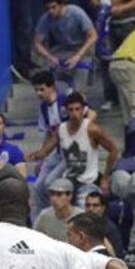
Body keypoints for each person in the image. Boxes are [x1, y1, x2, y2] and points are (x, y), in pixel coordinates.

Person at [27, 70, 96, 218]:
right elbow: (49, 133)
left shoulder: (65, 101)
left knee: (50, 182)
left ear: (52, 87)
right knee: (38, 186)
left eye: (42, 89)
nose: (39, 93)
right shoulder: (44, 108)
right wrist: (42, 155)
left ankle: (58, 215)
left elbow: (91, 114)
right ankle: (40, 220)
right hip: (56, 153)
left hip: (72, 154)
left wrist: (81, 132)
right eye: (36, 90)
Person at [30, 92, 120, 206]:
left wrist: (106, 177)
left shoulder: (92, 129)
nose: (74, 113)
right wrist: (34, 155)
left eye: (77, 109)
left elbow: (114, 150)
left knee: (82, 215)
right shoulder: (61, 130)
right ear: (66, 111)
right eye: (71, 110)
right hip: (68, 182)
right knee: (47, 189)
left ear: (83, 110)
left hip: (87, 182)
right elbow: (45, 151)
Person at [34, 0, 97, 91]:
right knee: (49, 74)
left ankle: (79, 94)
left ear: (61, 5)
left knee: (79, 82)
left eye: (53, 7)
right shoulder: (46, 19)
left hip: (83, 48)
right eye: (48, 8)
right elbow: (37, 42)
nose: (51, 11)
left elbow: (93, 36)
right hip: (63, 49)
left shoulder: (76, 13)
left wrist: (78, 56)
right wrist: (50, 57)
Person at [36, 177, 84, 242]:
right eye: (52, 194)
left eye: (59, 195)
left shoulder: (81, 216)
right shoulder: (44, 215)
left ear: (70, 196)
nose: (54, 199)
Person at [83, 190, 124, 257]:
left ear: (103, 208)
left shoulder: (110, 228)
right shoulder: (80, 224)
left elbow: (117, 254)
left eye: (95, 205)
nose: (91, 209)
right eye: (88, 205)